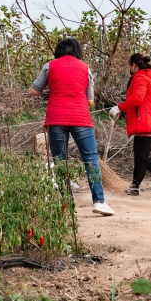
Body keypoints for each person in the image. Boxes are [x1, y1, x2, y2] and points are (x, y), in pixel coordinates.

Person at [30, 38, 115, 216]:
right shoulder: (85, 68)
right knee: (91, 158)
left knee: (61, 161)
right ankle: (99, 202)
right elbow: (90, 100)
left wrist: (52, 89)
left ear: (58, 51)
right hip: (80, 118)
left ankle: (66, 204)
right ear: (77, 51)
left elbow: (34, 90)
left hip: (56, 118)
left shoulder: (50, 66)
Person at [109, 54, 151, 198]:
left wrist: (119, 108)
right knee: (140, 156)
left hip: (146, 124)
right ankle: (135, 187)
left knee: (141, 156)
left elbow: (137, 98)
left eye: (129, 66)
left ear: (133, 65)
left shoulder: (139, 77)